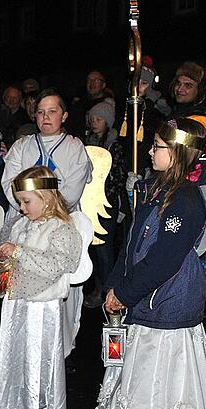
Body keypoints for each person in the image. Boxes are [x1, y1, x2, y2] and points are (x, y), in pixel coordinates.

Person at [96, 116, 206, 409]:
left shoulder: (186, 201)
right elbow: (131, 244)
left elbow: (163, 261)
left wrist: (125, 293)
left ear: (178, 153)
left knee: (160, 376)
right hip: (146, 298)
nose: (151, 152)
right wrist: (114, 284)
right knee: (140, 370)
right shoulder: (159, 187)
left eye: (157, 147)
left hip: (166, 302)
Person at [0, 166, 85, 409]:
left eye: (26, 201)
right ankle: (12, 406)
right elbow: (13, 255)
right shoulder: (21, 224)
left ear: (47, 197)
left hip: (41, 307)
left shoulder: (61, 229)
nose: (22, 208)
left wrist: (18, 252)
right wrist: (3, 256)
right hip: (16, 301)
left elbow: (57, 265)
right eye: (19, 202)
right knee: (12, 355)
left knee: (37, 361)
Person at [0, 88, 92, 358]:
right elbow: (9, 182)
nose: (45, 117)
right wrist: (26, 205)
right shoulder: (22, 145)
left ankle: (58, 349)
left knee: (56, 292)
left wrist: (46, 210)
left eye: (52, 111)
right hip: (23, 221)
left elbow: (72, 190)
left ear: (63, 115)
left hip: (58, 226)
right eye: (40, 112)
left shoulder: (74, 147)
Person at [84, 100, 126, 308]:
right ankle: (97, 287)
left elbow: (117, 177)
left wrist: (103, 197)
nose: (94, 122)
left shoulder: (114, 146)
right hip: (87, 201)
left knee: (104, 248)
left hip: (105, 203)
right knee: (91, 248)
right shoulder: (86, 143)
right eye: (92, 118)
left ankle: (109, 291)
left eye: (99, 119)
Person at [66, 70, 114, 137]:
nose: (92, 83)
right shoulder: (79, 104)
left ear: (103, 85)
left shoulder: (109, 105)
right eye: (89, 80)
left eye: (96, 80)